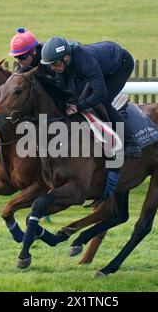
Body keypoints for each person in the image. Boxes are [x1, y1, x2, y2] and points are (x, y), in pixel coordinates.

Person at [40, 36, 142, 201]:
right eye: (50, 65)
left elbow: (100, 93)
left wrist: (79, 107)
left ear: (66, 58)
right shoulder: (63, 64)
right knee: (82, 99)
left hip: (120, 63)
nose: (53, 68)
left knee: (103, 102)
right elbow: (65, 91)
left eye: (56, 64)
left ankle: (131, 143)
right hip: (102, 64)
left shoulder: (84, 61)